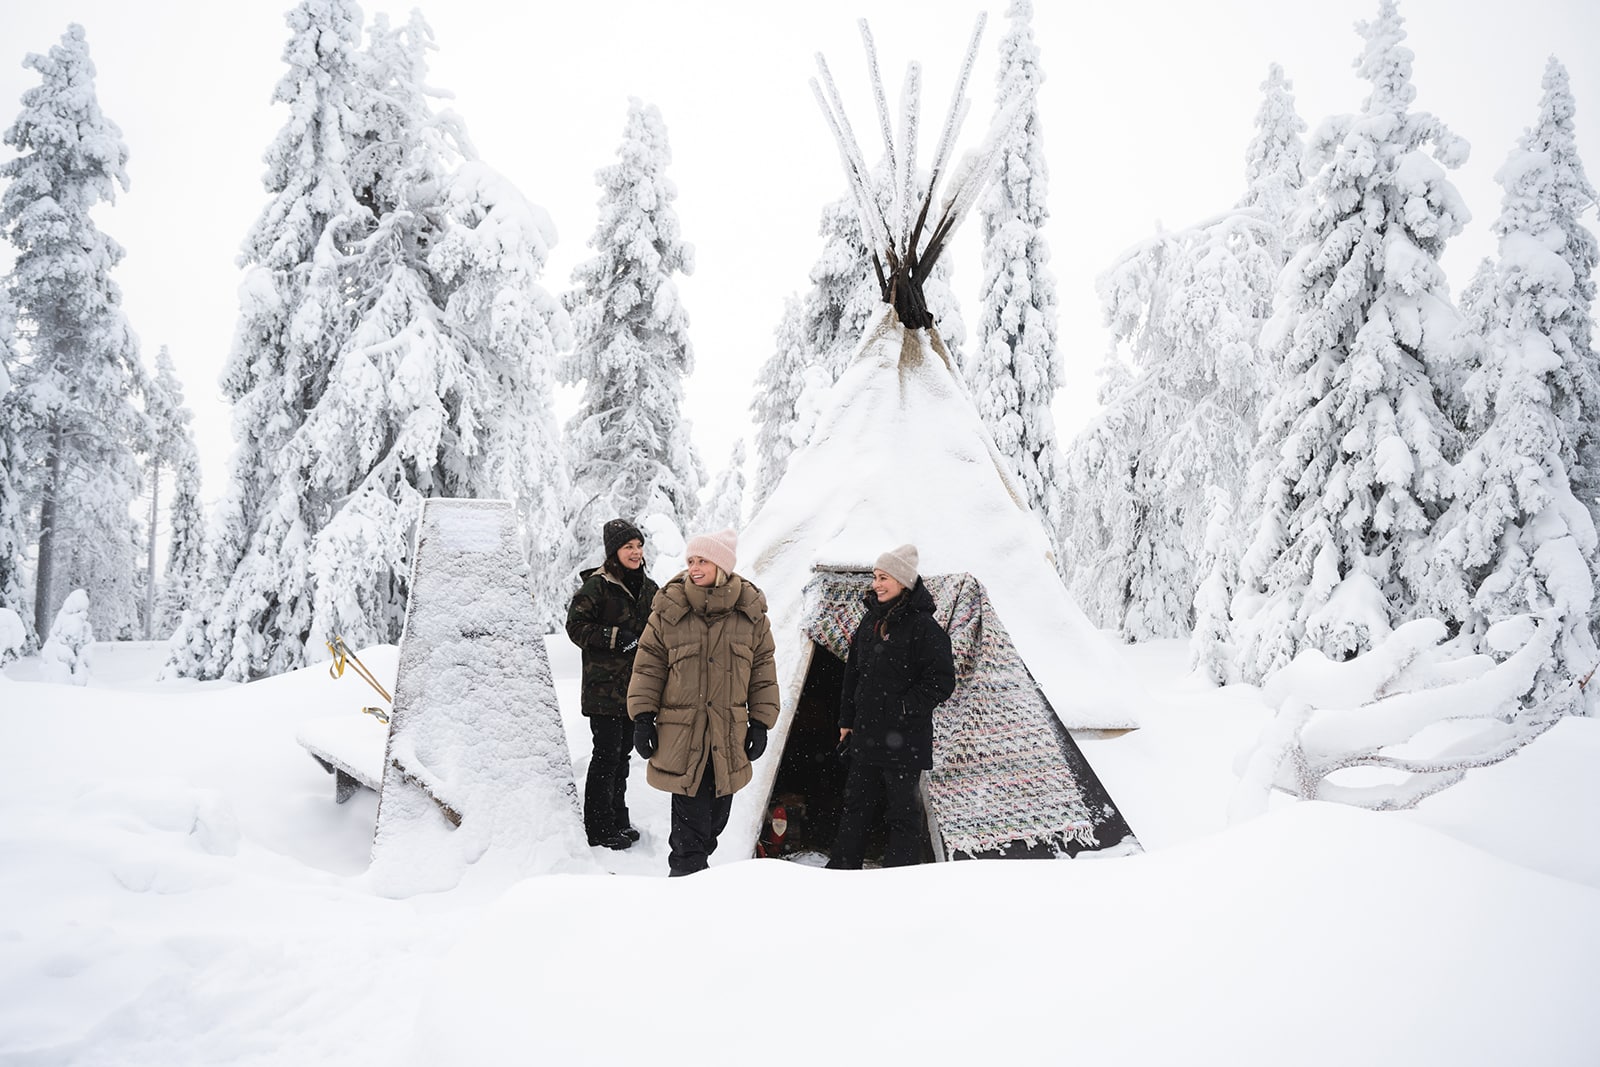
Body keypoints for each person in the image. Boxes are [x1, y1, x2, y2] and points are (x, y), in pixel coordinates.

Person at [627, 527, 779, 876]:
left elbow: (763, 672)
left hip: (728, 736)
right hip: (683, 736)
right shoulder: (670, 608)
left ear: (721, 565)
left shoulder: (750, 613)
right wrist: (643, 717)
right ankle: (684, 890)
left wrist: (759, 722)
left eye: (703, 560)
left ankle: (697, 882)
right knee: (690, 836)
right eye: (691, 560)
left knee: (713, 824)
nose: (694, 567)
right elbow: (648, 666)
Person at [827, 543, 955, 869]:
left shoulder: (924, 627)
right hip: (867, 735)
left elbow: (941, 681)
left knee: (902, 813)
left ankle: (901, 878)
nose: (876, 584)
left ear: (903, 582)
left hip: (904, 739)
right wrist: (847, 719)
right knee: (855, 805)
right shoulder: (870, 620)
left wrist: (902, 708)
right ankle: (842, 870)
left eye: (884, 577)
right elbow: (852, 673)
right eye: (875, 577)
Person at [566, 518, 659, 850]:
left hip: (636, 690)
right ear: (613, 552)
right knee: (606, 756)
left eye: (638, 546)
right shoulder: (598, 586)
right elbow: (576, 627)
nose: (635, 553)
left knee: (622, 757)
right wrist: (615, 637)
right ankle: (598, 826)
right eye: (627, 547)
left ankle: (618, 818)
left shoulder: (649, 589)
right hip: (603, 690)